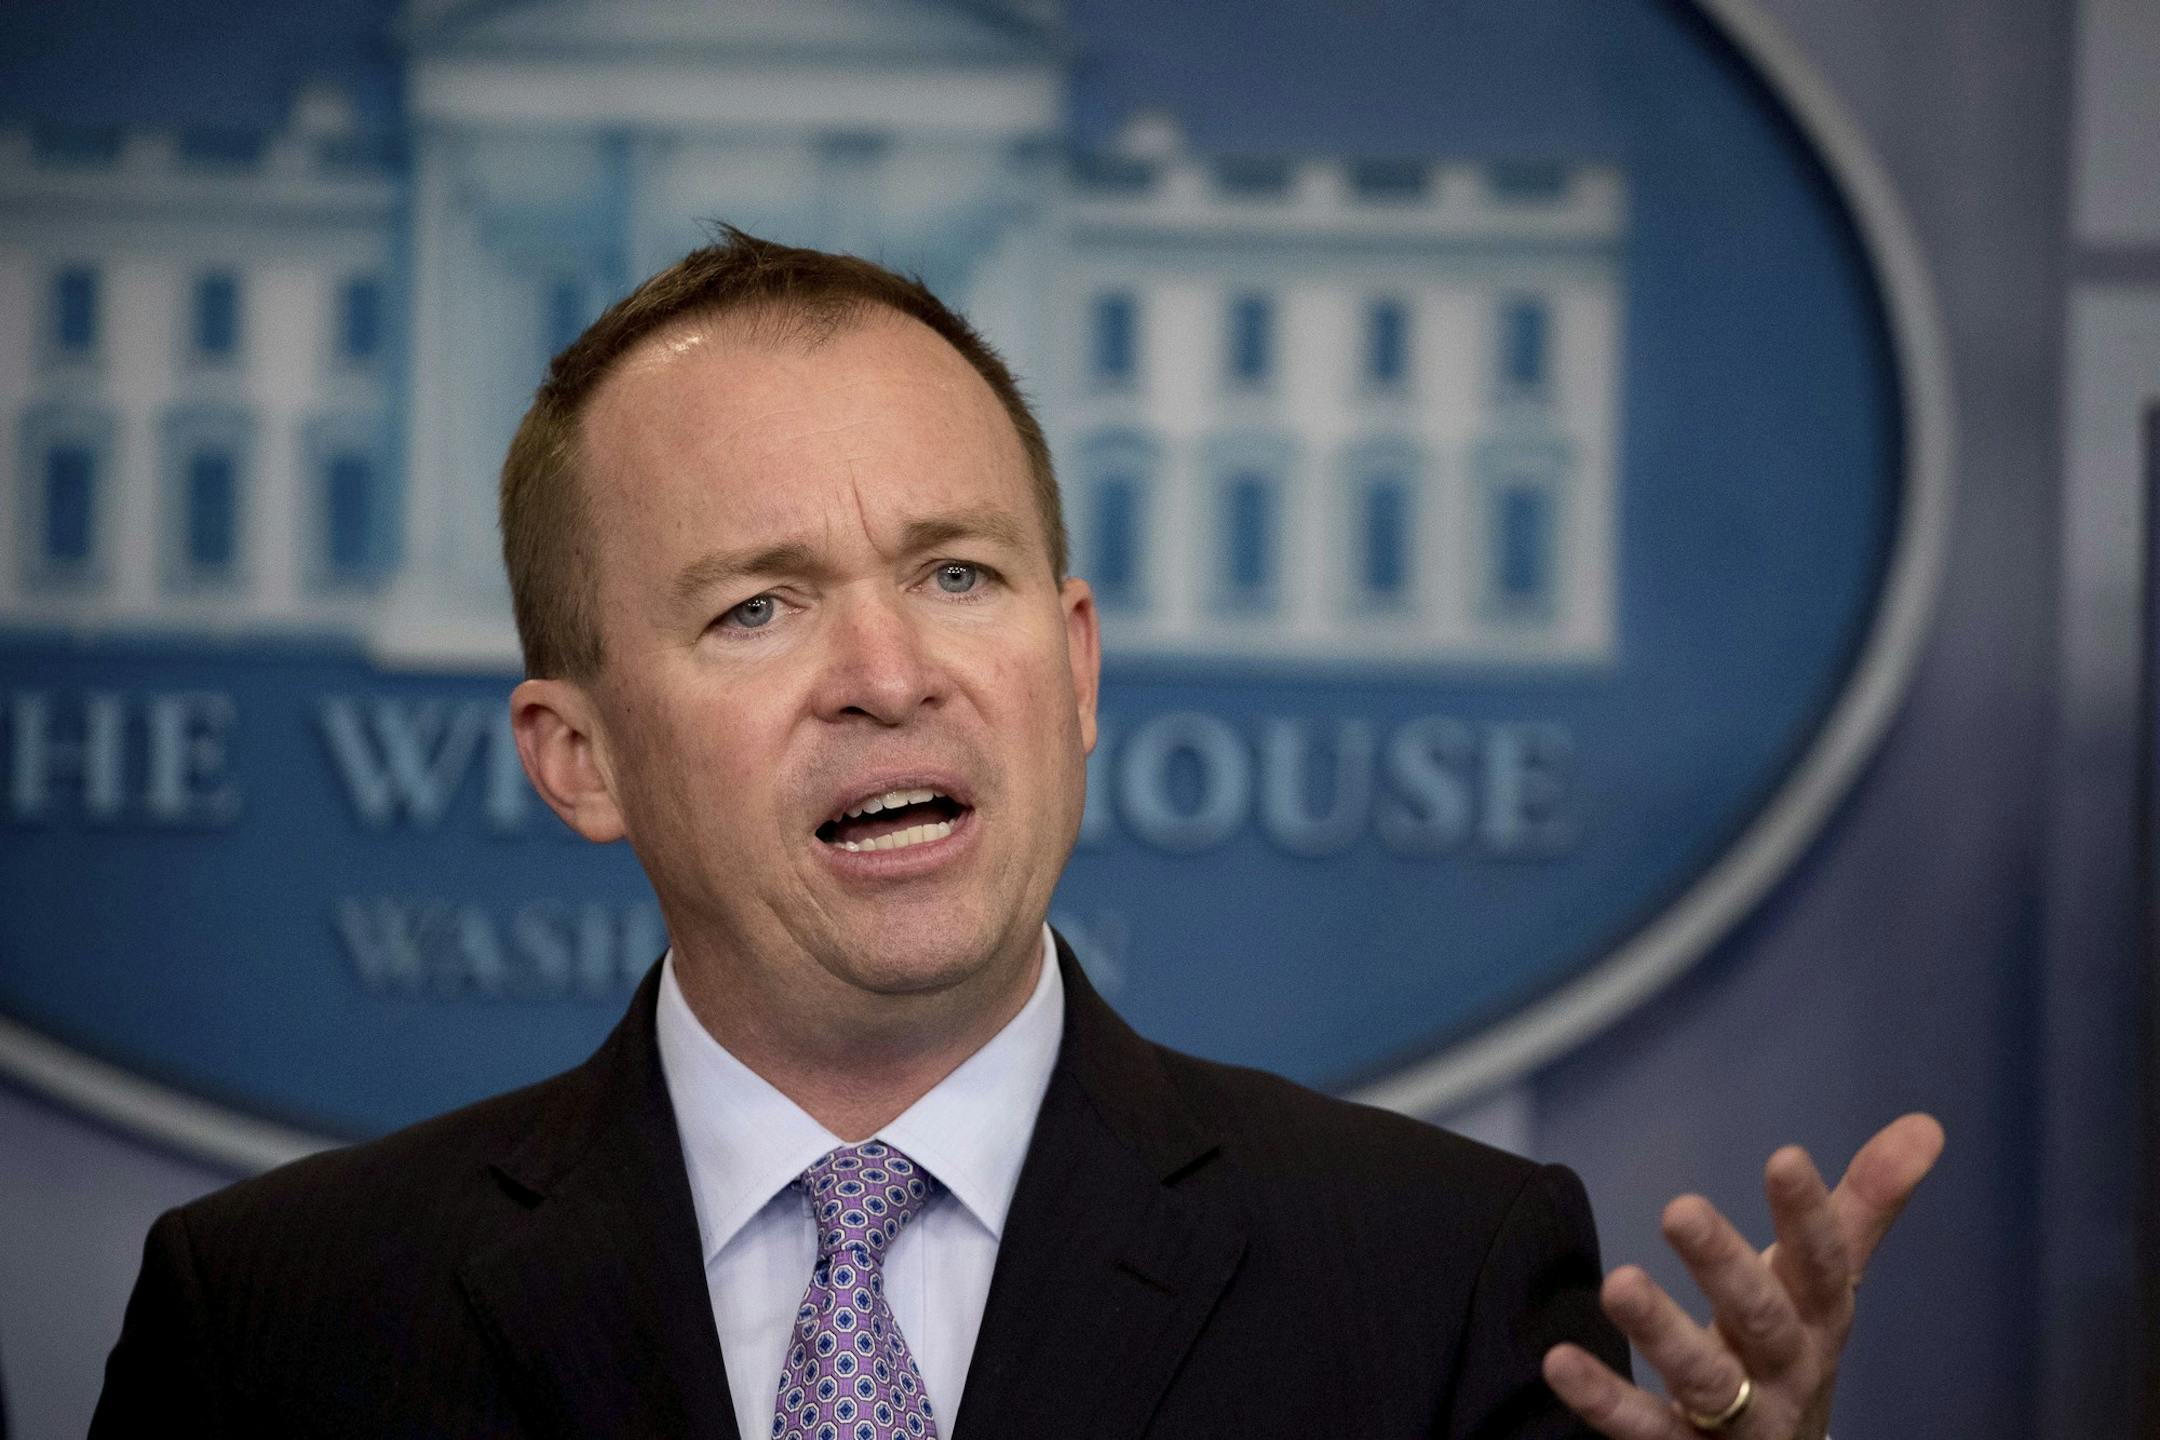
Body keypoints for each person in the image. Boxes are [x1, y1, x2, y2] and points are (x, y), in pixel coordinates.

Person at [91, 230, 1941, 1439]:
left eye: (954, 573)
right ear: (579, 760)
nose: (887, 674)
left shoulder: (1441, 1276)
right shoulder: (277, 1324)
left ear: (1070, 671)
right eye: (757, 606)